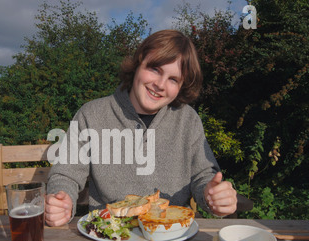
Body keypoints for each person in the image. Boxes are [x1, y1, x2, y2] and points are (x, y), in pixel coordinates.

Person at [45, 30, 237, 227]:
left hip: (171, 236)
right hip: (109, 236)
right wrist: (63, 201)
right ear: (138, 63)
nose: (160, 85)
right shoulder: (91, 114)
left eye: (173, 79)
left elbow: (203, 176)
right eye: (155, 69)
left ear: (181, 86)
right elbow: (65, 174)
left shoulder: (188, 120)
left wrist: (212, 196)